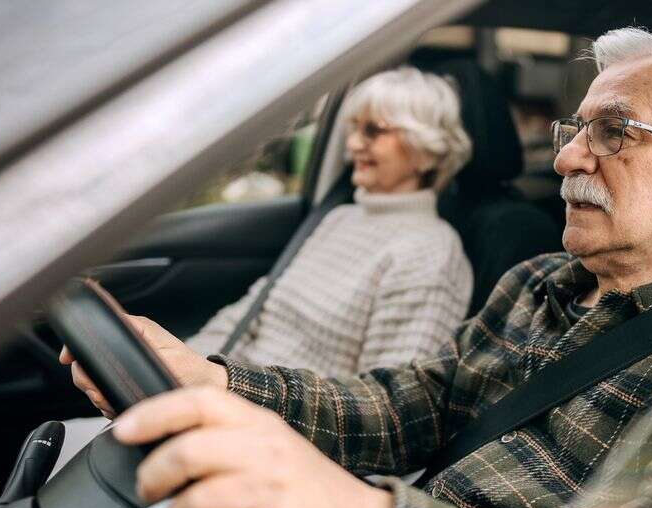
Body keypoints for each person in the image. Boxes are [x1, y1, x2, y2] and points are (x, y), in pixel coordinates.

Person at [64, 27, 652, 508]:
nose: (566, 157)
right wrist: (217, 381)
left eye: (613, 131)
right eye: (576, 129)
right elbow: (416, 405)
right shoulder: (537, 283)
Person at [184, 66, 474, 378]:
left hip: (276, 416)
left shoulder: (431, 255)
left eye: (373, 131)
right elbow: (252, 310)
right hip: (227, 384)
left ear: (425, 152)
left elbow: (385, 403)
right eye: (354, 128)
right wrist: (186, 363)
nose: (353, 144)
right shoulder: (340, 218)